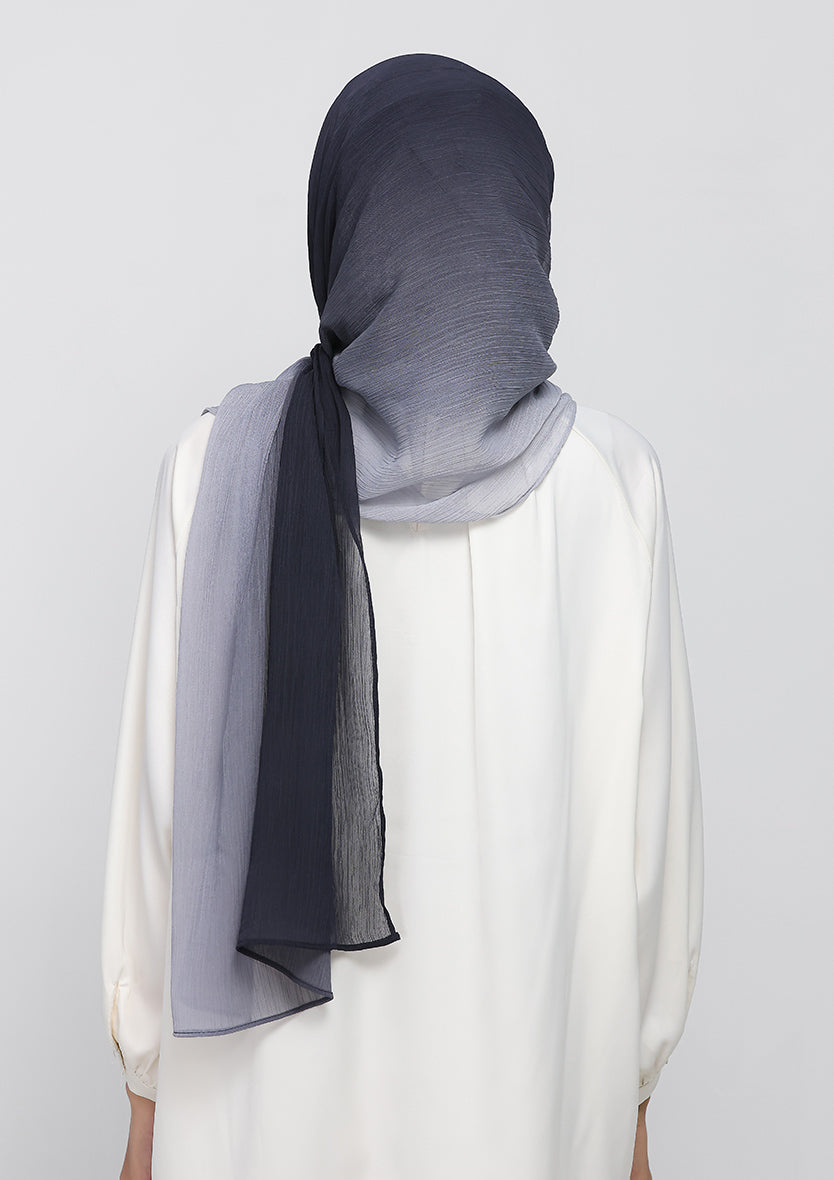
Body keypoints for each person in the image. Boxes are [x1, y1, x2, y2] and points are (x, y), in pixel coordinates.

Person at [101, 52, 704, 1180]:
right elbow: (651, 839)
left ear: (341, 228)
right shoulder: (614, 483)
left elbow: (159, 816)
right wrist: (630, 1096)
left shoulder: (218, 469)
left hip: (258, 1107)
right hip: (530, 1093)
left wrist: (143, 1100)